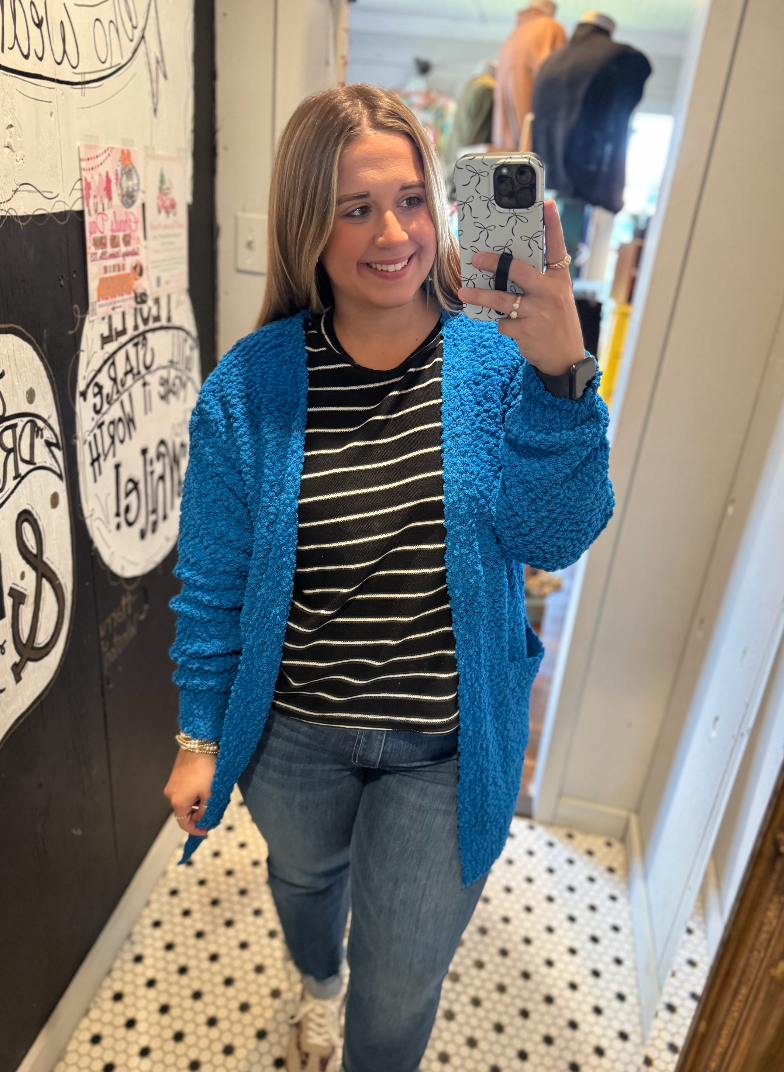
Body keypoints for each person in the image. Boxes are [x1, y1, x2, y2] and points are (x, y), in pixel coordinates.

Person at [164, 83, 613, 1072]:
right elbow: (213, 577)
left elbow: (557, 534)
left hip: (444, 750)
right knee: (303, 881)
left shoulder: (498, 367)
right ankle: (314, 985)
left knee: (402, 983)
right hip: (292, 736)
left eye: (412, 199)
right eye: (354, 206)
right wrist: (202, 734)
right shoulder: (250, 385)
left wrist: (563, 378)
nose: (392, 232)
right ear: (306, 222)